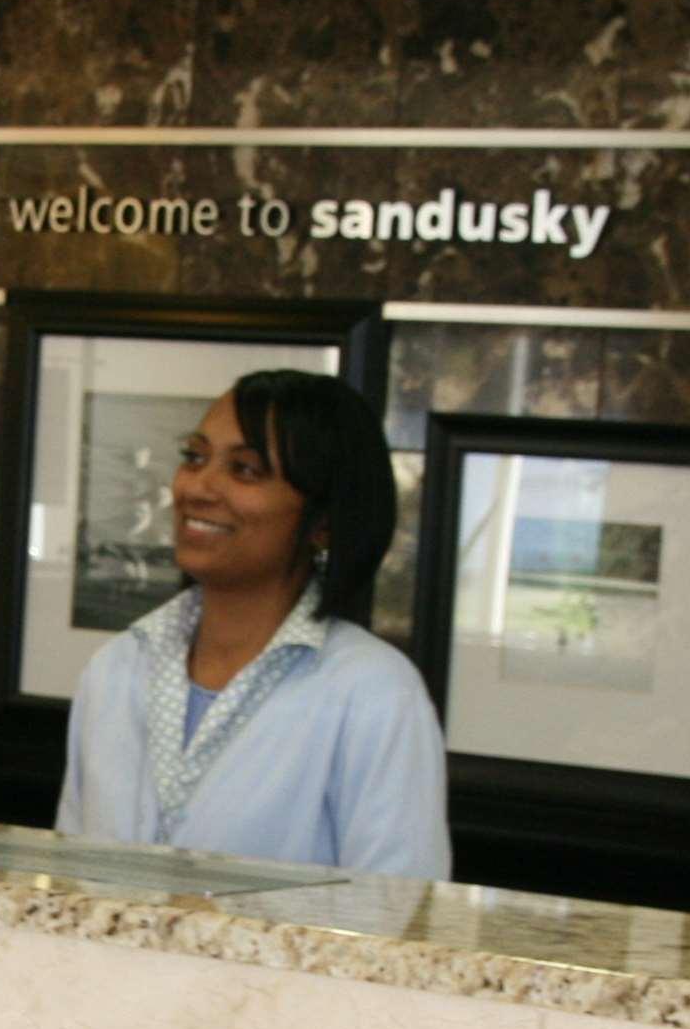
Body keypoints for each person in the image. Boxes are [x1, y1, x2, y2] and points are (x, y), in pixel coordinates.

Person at [56, 368, 450, 879]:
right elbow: (65, 882)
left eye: (244, 470)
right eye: (195, 457)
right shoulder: (115, 668)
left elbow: (399, 920)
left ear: (324, 520)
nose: (199, 487)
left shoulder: (374, 694)